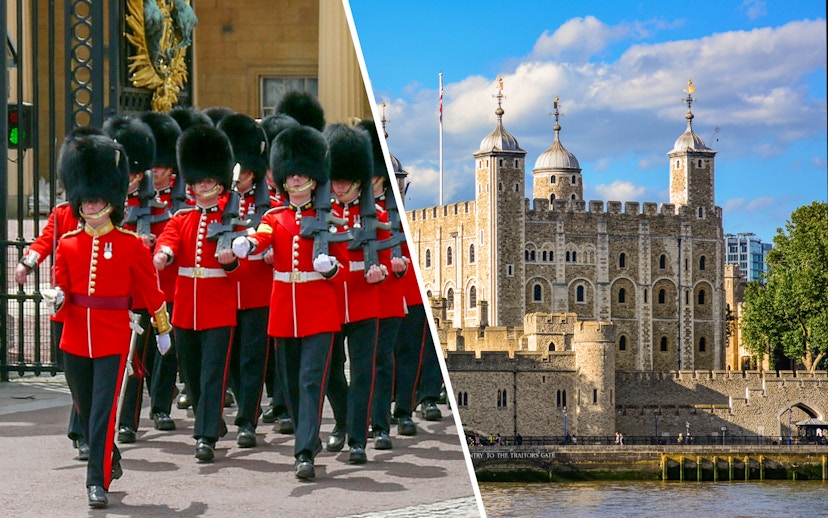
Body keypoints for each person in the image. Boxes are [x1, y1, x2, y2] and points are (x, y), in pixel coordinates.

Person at [45, 132, 171, 508]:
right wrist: (57, 299)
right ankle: (108, 456)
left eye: (97, 198)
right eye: (85, 198)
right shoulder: (67, 242)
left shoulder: (131, 244)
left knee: (103, 412)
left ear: (111, 202)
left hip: (114, 337)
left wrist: (163, 329)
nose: (90, 203)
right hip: (74, 339)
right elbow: (60, 287)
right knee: (86, 413)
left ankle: (95, 483)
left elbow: (150, 289)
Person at [232, 124, 347, 480]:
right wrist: (248, 245)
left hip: (320, 313)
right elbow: (264, 237)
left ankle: (303, 454)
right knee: (292, 384)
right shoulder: (274, 217)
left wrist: (330, 270)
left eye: (302, 177)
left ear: (314, 180)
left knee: (312, 381)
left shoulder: (330, 219)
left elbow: (345, 271)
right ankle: (307, 440)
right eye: (291, 177)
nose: (296, 182)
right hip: (285, 311)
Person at [153, 125, 243, 462]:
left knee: (212, 374)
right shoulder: (182, 217)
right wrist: (163, 255)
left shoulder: (233, 220)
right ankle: (213, 421)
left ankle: (204, 436)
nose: (203, 186)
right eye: (198, 181)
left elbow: (242, 270)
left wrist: (232, 261)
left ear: (219, 183)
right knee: (190, 375)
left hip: (218, 308)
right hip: (186, 309)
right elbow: (169, 240)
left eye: (209, 181)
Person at [15, 126, 100, 461]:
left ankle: (84, 432)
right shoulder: (63, 214)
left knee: (92, 372)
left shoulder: (109, 217)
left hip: (98, 307)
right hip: (67, 306)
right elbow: (43, 242)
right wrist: (27, 263)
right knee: (73, 371)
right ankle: (82, 428)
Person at [322, 123, 389, 464]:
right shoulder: (322, 216)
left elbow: (389, 259)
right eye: (335, 179)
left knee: (363, 373)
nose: (339, 186)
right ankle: (343, 422)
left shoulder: (375, 217)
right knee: (331, 370)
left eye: (345, 180)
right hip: (330, 303)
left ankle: (358, 440)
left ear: (359, 181)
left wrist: (383, 271)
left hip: (364, 303)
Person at [102, 115, 161, 444]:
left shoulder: (154, 204)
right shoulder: (98, 200)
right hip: (103, 296)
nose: (133, 179)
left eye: (138, 174)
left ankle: (128, 422)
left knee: (133, 361)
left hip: (136, 295)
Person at [217, 112, 273, 448]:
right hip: (225, 289)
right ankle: (241, 405)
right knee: (231, 359)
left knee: (252, 358)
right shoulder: (221, 203)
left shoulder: (270, 204)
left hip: (257, 291)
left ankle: (247, 420)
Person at [356, 118, 409, 452]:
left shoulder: (396, 210)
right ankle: (356, 425)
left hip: (388, 295)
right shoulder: (348, 209)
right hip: (357, 295)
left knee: (382, 360)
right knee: (360, 365)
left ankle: (380, 424)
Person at [138, 110, 184, 432]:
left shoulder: (183, 199)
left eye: (160, 167)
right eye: (151, 166)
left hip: (170, 286)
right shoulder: (132, 199)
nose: (155, 172)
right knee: (143, 351)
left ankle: (161, 408)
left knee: (168, 348)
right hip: (140, 286)